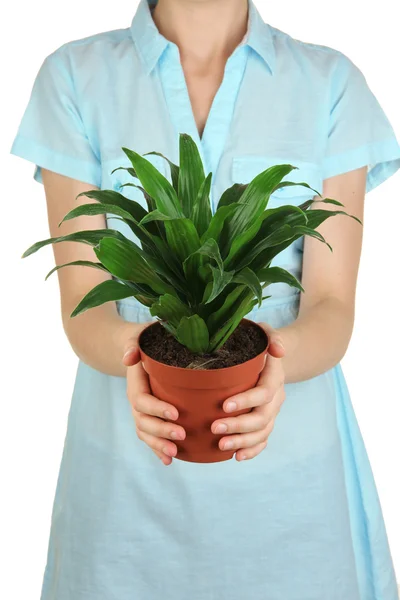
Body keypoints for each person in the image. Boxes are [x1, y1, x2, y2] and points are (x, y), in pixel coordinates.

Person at [9, 0, 400, 598]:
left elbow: (332, 305)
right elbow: (83, 300)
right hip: (127, 470)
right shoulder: (75, 74)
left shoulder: (329, 82)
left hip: (288, 481)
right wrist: (134, 356)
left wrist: (277, 363)